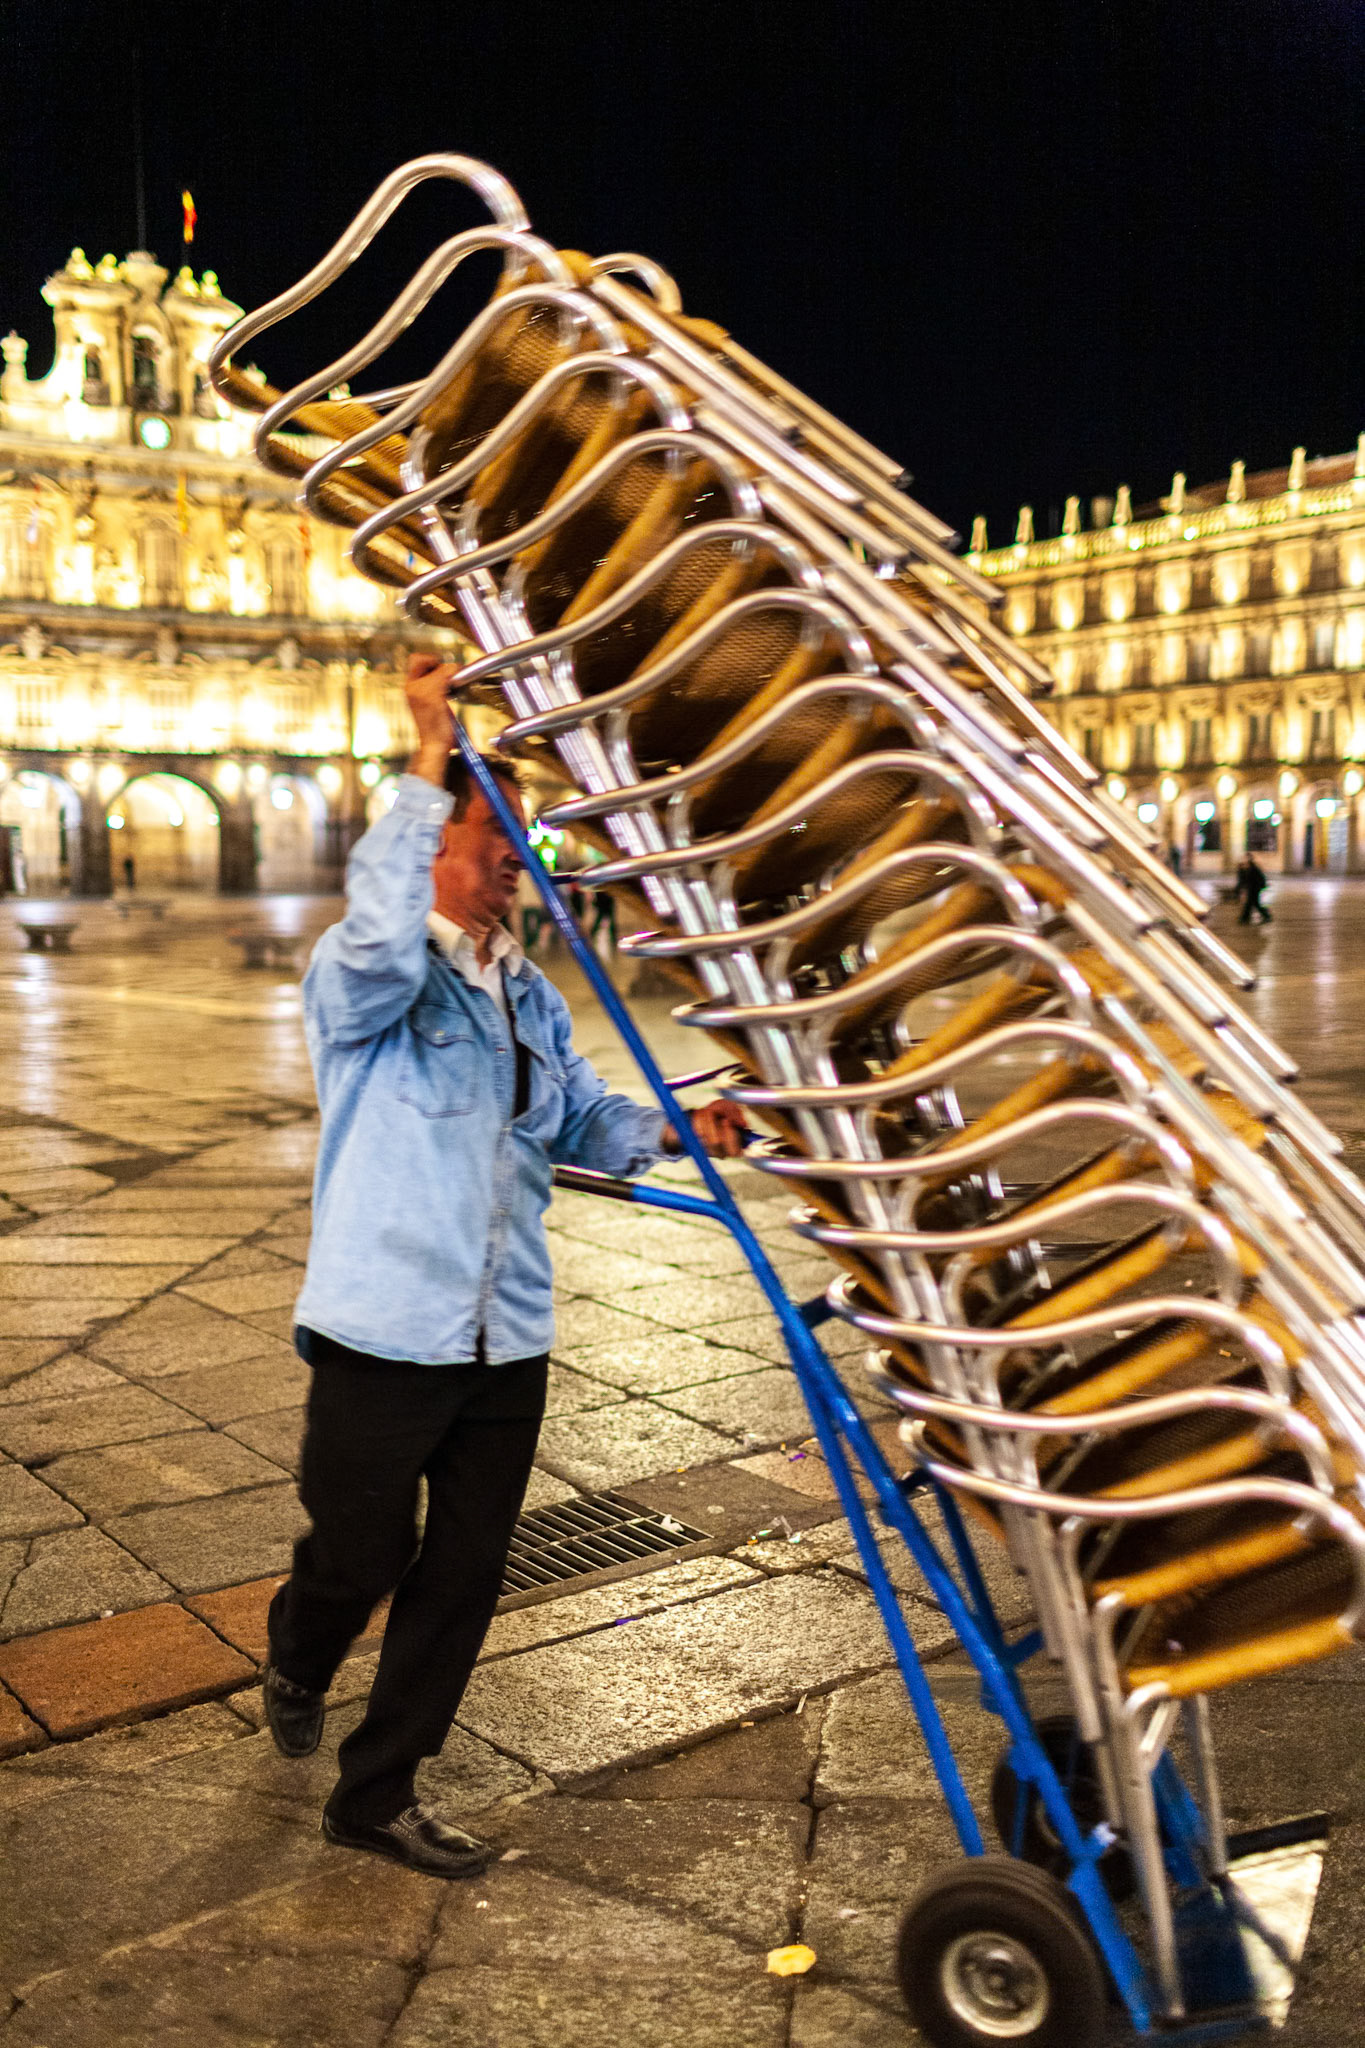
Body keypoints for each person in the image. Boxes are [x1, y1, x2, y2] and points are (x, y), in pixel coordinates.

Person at [262, 653, 747, 1880]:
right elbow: (376, 936)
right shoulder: (368, 973)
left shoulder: (527, 994)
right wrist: (428, 756)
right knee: (359, 1556)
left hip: (504, 1337)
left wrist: (694, 1124)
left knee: (468, 1573)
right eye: (495, 840)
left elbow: (582, 1118)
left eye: (523, 847)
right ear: (433, 844)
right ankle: (300, 1647)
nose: (517, 865)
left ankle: (378, 1792)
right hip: (386, 1328)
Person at [1236, 852, 1272, 925]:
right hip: (1253, 888)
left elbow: (1259, 878)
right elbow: (1244, 879)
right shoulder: (1249, 868)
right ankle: (1246, 918)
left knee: (1251, 903)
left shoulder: (1253, 868)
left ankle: (1244, 918)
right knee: (1253, 903)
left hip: (1255, 888)